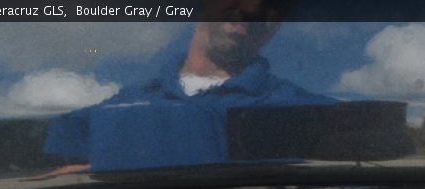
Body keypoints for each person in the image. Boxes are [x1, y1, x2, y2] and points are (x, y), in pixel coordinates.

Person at [44, 0, 334, 172]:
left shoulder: (312, 113)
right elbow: (43, 173)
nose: (253, 7)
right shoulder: (111, 113)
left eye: (274, 4)